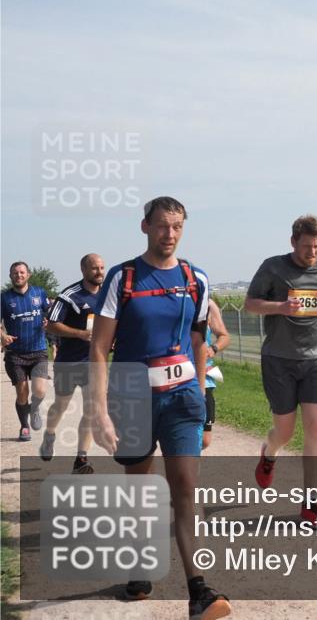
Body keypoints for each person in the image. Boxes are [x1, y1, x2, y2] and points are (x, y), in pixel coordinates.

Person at [88, 196, 231, 619]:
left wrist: (201, 395)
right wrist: (100, 410)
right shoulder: (123, 278)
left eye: (177, 226)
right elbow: (99, 348)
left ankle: (199, 590)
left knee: (185, 488)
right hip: (133, 398)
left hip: (182, 397)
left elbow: (200, 340)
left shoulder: (195, 278)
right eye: (163, 226)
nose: (170, 234)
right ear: (145, 226)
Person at [244, 214, 317, 525]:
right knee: (284, 432)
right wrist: (281, 307)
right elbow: (250, 304)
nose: (312, 253)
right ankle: (269, 453)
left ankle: (310, 503)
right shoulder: (273, 267)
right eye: (307, 246)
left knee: (316, 427)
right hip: (279, 360)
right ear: (293, 242)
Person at [40, 253, 105, 472]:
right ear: (83, 270)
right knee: (61, 405)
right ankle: (49, 434)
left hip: (94, 362)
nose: (99, 272)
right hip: (68, 362)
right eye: (94, 268)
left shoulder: (107, 293)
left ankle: (81, 459)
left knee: (91, 410)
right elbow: (51, 325)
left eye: (102, 267)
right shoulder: (69, 296)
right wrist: (79, 334)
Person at [2, 262, 51, 441]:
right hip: (15, 354)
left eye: (22, 272)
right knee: (22, 392)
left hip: (38, 351)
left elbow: (51, 314)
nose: (19, 275)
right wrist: (2, 336)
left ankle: (35, 408)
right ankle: (24, 426)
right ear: (10, 276)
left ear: (28, 274)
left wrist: (48, 321)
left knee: (39, 391)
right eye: (15, 273)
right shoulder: (4, 298)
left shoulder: (39, 293)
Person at [202, 298, 231, 449]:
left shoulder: (207, 303)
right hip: (176, 379)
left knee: (205, 440)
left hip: (203, 379)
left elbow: (224, 336)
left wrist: (213, 348)